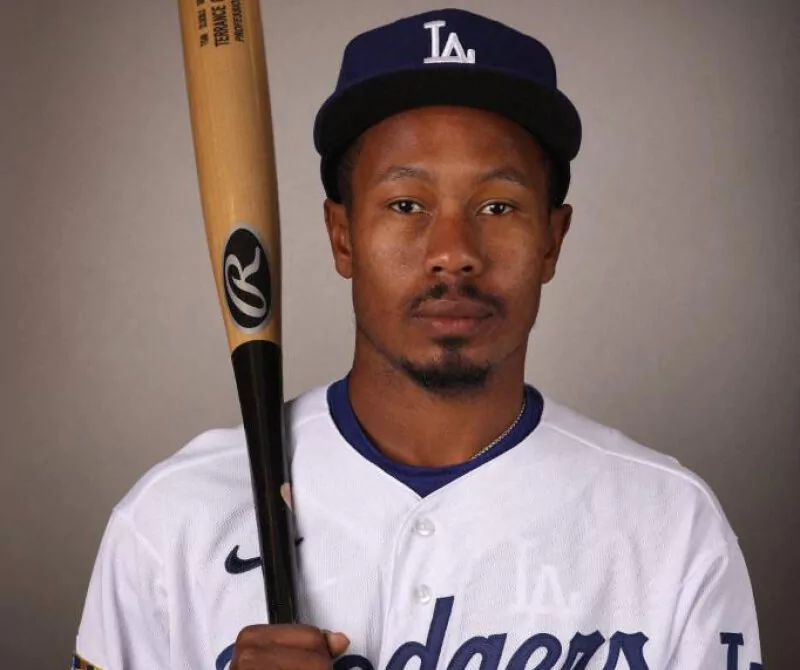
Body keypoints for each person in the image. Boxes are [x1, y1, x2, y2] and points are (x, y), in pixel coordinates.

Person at [74, 8, 762, 670]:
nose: (453, 252)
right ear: (342, 236)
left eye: (498, 206)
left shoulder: (670, 529)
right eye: (406, 205)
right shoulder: (174, 520)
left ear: (553, 240)